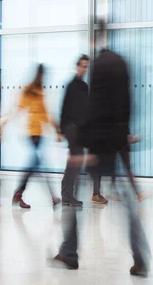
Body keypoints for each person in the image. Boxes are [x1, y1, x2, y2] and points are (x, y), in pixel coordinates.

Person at [54, 20, 150, 275]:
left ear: (94, 37)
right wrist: (124, 136)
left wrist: (80, 143)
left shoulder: (99, 66)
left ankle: (69, 252)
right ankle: (140, 256)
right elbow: (128, 104)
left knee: (80, 195)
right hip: (115, 140)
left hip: (98, 143)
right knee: (125, 201)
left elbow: (95, 108)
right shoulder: (120, 62)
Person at [0, 64, 62, 209]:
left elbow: (45, 114)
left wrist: (57, 129)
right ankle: (47, 196)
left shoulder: (39, 91)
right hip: (31, 133)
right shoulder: (31, 90)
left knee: (36, 164)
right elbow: (19, 108)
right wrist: (4, 122)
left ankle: (20, 194)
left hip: (38, 133)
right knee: (38, 164)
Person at [59, 55, 107, 206]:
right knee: (76, 160)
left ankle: (94, 192)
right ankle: (67, 194)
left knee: (85, 160)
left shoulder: (84, 87)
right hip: (71, 128)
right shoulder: (72, 86)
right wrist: (61, 130)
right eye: (83, 66)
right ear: (77, 67)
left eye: (87, 66)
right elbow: (65, 108)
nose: (84, 69)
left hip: (82, 129)